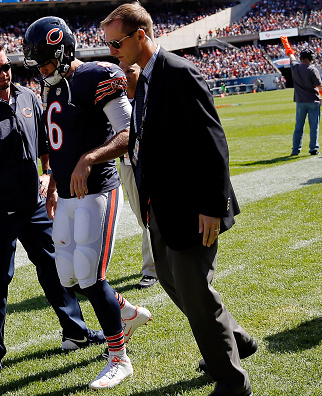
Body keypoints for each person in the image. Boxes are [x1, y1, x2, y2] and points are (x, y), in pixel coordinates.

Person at [101, 3, 256, 396]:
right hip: (162, 208)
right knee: (173, 282)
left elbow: (212, 143)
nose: (112, 51)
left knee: (196, 293)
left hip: (192, 208)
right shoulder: (143, 78)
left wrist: (211, 207)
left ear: (141, 36)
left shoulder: (180, 73)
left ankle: (232, 381)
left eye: (116, 43)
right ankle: (236, 340)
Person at [0, 40, 105, 383]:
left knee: (55, 268)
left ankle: (75, 332)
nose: (4, 74)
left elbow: (46, 142)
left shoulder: (27, 97)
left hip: (34, 206)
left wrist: (46, 175)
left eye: (6, 66)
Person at [23, 16, 151, 390]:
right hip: (64, 194)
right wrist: (51, 185)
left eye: (46, 60)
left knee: (90, 275)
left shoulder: (97, 75)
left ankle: (119, 358)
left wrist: (89, 159)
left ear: (64, 51)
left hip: (98, 189)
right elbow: (56, 144)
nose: (42, 69)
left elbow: (129, 134)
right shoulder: (52, 88)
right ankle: (124, 311)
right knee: (69, 277)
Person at [120, 63, 157, 289]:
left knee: (150, 217)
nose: (124, 75)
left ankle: (151, 269)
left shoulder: (149, 95)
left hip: (150, 165)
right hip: (126, 165)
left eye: (129, 71)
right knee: (142, 218)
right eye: (121, 70)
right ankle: (157, 263)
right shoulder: (115, 101)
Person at [281, 38, 321, 156]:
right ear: (311, 58)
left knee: (298, 127)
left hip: (300, 101)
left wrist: (286, 44)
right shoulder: (313, 70)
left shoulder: (295, 67)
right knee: (314, 127)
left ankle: (295, 149)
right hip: (313, 101)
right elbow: (319, 87)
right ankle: (313, 148)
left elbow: (291, 55)